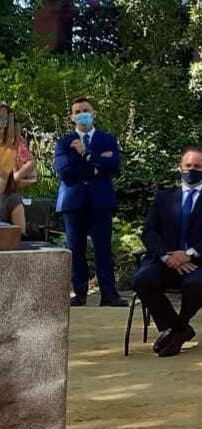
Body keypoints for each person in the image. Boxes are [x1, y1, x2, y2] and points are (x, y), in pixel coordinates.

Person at [129, 148, 202, 356]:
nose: (192, 170)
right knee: (142, 280)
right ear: (180, 168)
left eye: (197, 166)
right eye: (188, 166)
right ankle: (180, 330)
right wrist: (166, 256)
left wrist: (189, 253)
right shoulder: (164, 197)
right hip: (165, 260)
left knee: (195, 284)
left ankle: (177, 329)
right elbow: (149, 231)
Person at [55, 97, 124, 306]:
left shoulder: (107, 139)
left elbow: (113, 165)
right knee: (76, 250)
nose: (82, 114)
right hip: (73, 203)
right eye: (77, 111)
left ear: (94, 113)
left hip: (100, 201)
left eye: (86, 110)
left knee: (103, 249)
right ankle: (80, 293)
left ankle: (109, 294)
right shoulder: (63, 143)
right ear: (72, 117)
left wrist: (85, 154)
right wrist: (95, 166)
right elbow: (64, 171)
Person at [0, 101, 36, 230]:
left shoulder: (16, 139)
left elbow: (30, 162)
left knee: (18, 234)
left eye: (4, 115)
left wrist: (16, 177)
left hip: (9, 193)